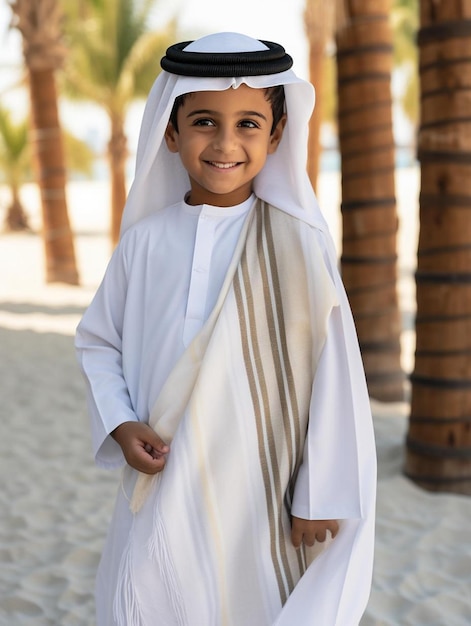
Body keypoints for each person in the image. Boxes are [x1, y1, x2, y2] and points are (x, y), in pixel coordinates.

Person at [75, 32, 377, 626]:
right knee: (145, 594)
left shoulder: (298, 243)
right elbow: (98, 341)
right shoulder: (144, 241)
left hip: (262, 479)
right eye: (205, 122)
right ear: (171, 130)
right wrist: (118, 420)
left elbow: (335, 375)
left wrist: (319, 493)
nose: (225, 143)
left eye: (248, 125)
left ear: (277, 135)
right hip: (163, 467)